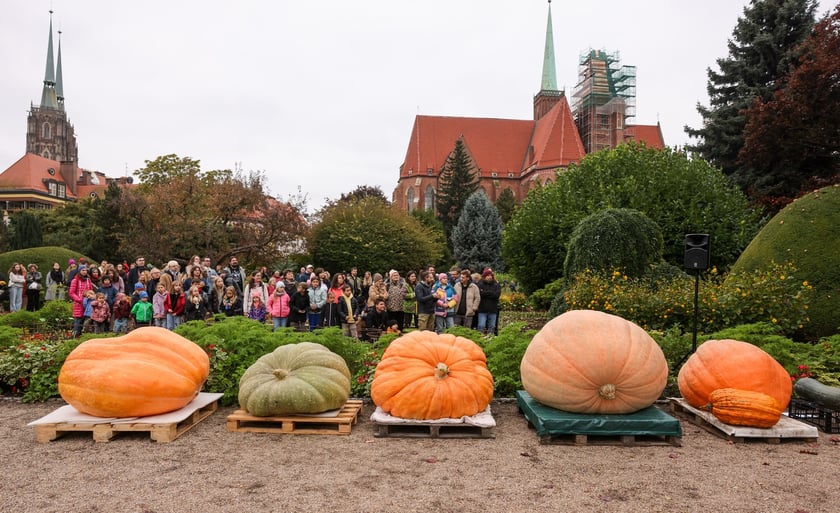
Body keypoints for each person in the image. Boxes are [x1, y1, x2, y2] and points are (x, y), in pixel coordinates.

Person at [68, 265, 94, 337]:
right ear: (79, 271)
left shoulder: (88, 280)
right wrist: (79, 299)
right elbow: (71, 292)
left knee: (86, 321)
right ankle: (76, 336)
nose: (84, 272)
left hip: (88, 303)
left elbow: (91, 290)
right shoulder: (75, 280)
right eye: (83, 270)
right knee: (78, 321)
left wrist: (91, 296)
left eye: (85, 270)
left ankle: (84, 337)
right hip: (79, 303)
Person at [477, 268, 502, 335]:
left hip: (493, 309)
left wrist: (485, 293)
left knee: (492, 326)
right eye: (488, 275)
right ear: (484, 276)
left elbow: (496, 295)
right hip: (482, 309)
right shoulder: (480, 284)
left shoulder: (496, 285)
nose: (489, 277)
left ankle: (490, 340)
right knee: (481, 325)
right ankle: (480, 338)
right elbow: (480, 294)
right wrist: (491, 293)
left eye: (491, 275)